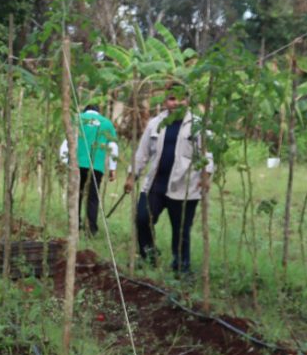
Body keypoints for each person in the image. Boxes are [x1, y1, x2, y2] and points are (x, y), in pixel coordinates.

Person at [125, 84, 213, 275]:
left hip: (186, 187)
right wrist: (132, 176)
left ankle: (181, 267)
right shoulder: (155, 123)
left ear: (187, 100)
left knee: (181, 231)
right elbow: (142, 152)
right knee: (142, 219)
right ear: (165, 101)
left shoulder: (198, 125)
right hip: (156, 185)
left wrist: (206, 176)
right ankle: (148, 255)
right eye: (172, 98)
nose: (176, 103)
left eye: (181, 98)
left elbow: (208, 153)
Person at [59, 104, 119, 236]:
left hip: (76, 164)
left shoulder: (77, 119)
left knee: (76, 194)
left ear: (85, 110)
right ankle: (91, 229)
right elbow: (113, 146)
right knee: (92, 197)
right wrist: (112, 169)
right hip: (96, 166)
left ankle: (75, 225)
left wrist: (63, 162)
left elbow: (66, 142)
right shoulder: (107, 123)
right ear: (99, 112)